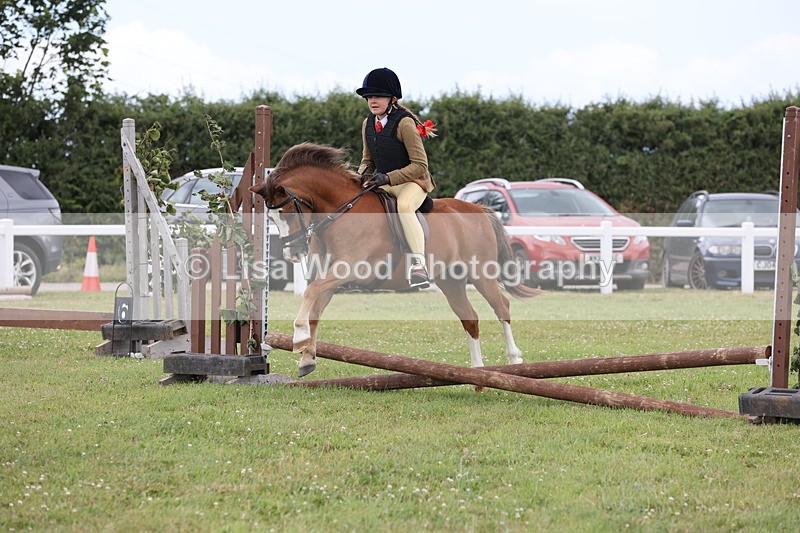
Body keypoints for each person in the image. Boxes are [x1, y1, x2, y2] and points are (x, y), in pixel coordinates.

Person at [357, 67, 436, 288]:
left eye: (378, 96)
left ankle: (419, 265)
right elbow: (367, 160)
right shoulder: (368, 124)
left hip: (413, 183)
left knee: (403, 207)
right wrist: (359, 176)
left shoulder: (404, 123)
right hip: (386, 182)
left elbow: (420, 165)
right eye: (369, 96)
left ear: (392, 98)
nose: (373, 100)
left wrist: (388, 178)